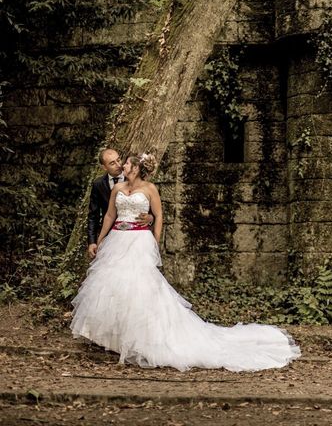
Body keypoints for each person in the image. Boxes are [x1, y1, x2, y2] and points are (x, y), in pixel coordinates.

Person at [71, 152, 300, 372]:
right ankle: (115, 337)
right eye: (120, 163)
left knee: (140, 287)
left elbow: (158, 215)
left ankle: (143, 338)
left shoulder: (150, 189)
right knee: (113, 286)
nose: (123, 167)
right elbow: (109, 215)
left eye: (127, 164)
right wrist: (99, 240)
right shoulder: (118, 188)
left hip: (139, 240)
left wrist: (154, 241)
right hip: (118, 240)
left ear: (137, 168)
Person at [87, 148, 152, 259]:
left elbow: (150, 206)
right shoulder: (98, 185)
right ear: (104, 167)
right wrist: (92, 241)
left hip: (136, 236)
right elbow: (93, 215)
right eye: (112, 163)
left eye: (119, 160)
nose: (118, 165)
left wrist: (150, 218)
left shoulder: (136, 178)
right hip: (110, 238)